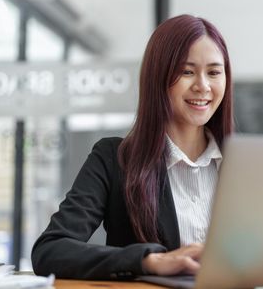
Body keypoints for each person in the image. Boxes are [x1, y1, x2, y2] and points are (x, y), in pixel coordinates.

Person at [31, 14, 233, 280]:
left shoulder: (245, 166)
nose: (203, 86)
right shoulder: (114, 160)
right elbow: (50, 251)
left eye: (214, 72)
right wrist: (148, 261)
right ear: (158, 78)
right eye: (187, 71)